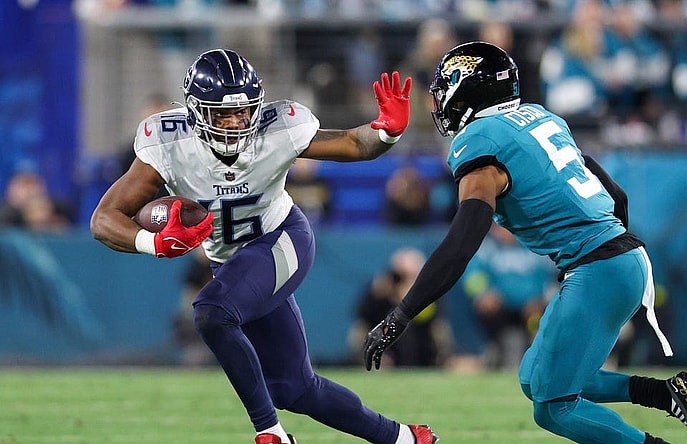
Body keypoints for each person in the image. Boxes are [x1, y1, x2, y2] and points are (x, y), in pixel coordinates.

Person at [363, 41, 687, 444]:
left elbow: (461, 244)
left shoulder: (480, 144)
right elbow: (617, 196)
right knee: (535, 379)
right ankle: (668, 394)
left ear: (466, 91)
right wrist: (600, 260)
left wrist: (402, 314)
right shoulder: (539, 117)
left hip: (600, 266)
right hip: (621, 256)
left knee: (554, 408)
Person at [90, 48, 438, 444]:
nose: (237, 122)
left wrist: (386, 131)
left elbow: (353, 144)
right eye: (223, 113)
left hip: (281, 238)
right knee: (295, 388)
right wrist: (153, 242)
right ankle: (407, 439)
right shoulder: (169, 144)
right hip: (233, 262)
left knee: (211, 313)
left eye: (243, 111)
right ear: (196, 112)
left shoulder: (280, 126)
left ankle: (271, 435)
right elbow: (104, 220)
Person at [460, 223, 556, 369]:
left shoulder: (535, 248)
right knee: (486, 310)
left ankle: (538, 354)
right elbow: (472, 275)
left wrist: (540, 299)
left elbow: (549, 280)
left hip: (531, 310)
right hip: (499, 308)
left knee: (541, 317)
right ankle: (493, 349)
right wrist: (483, 293)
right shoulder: (487, 248)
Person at [350, 247, 451, 368]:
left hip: (422, 347)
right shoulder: (381, 292)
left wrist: (412, 299)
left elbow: (433, 320)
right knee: (359, 330)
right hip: (386, 351)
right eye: (402, 276)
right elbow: (363, 316)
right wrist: (380, 295)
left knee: (441, 330)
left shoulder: (429, 293)